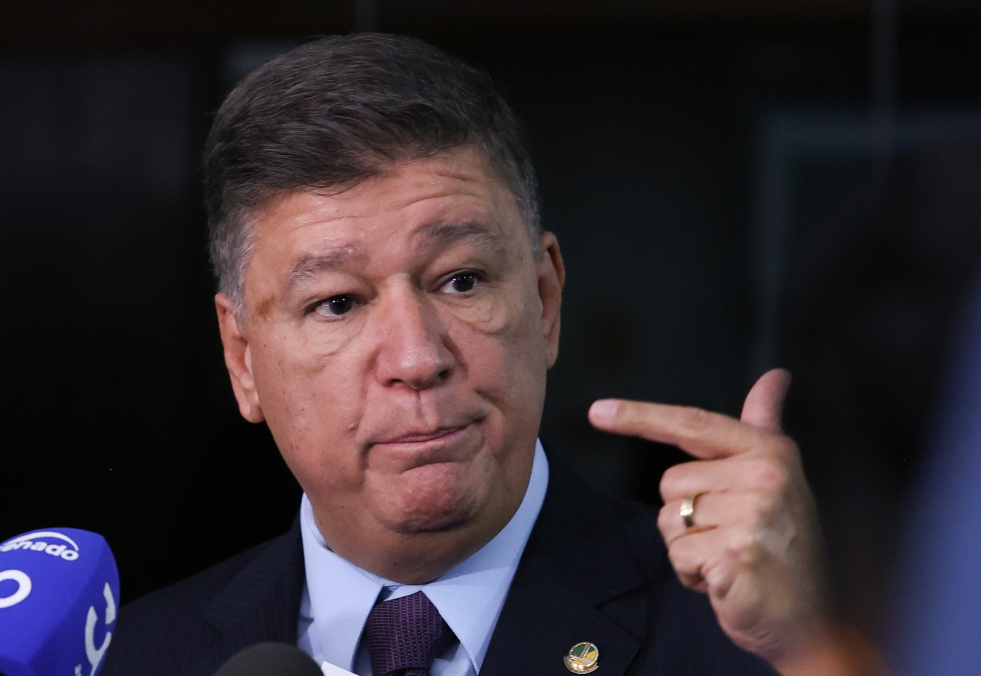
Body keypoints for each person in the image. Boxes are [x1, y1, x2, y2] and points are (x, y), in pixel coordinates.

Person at [101, 33, 849, 676]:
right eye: (338, 303)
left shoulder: (755, 634)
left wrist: (809, 646)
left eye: (461, 281)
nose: (416, 358)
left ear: (545, 301)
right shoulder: (132, 658)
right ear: (242, 359)